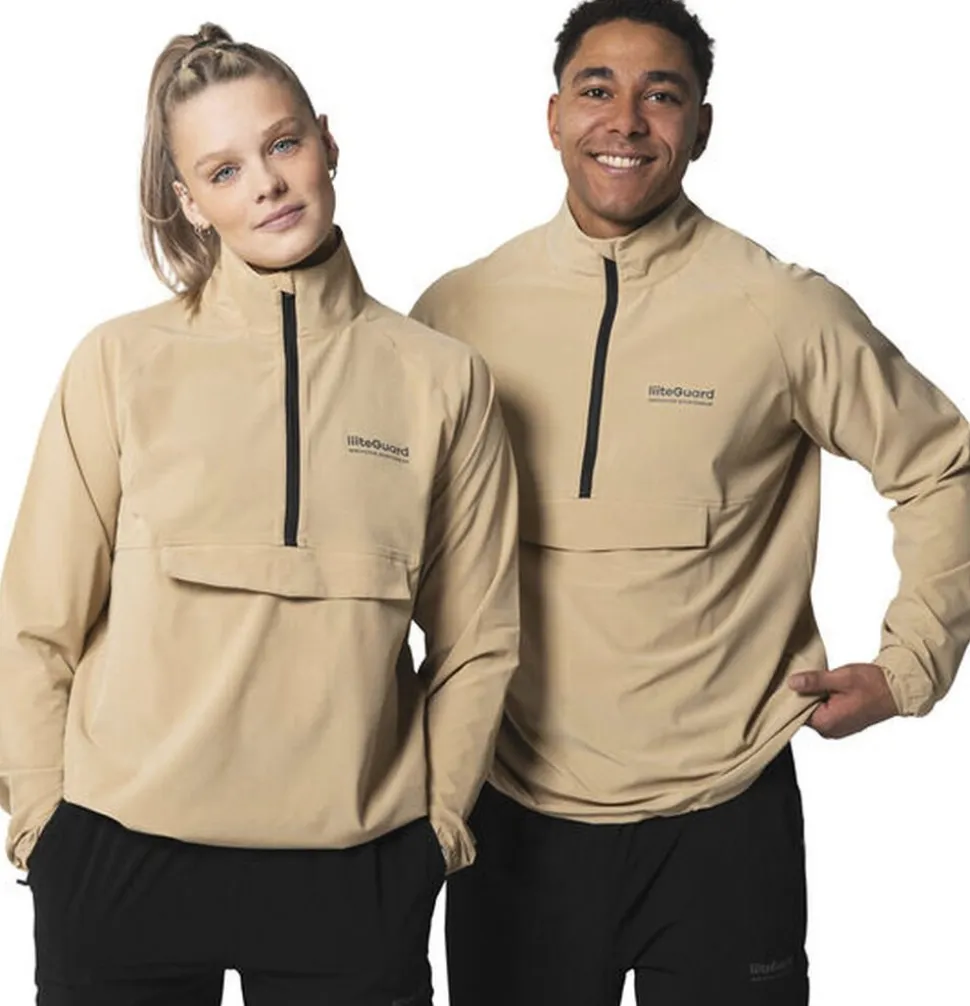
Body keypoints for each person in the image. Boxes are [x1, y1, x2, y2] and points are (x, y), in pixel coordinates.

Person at [411, 1, 970, 1003]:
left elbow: (942, 463)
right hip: (509, 810)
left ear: (700, 127)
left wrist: (911, 666)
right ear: (552, 116)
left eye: (660, 95)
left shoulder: (781, 307)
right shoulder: (457, 311)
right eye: (597, 89)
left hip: (726, 813)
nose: (625, 120)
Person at [0, 22, 519, 1006]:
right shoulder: (119, 364)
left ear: (328, 142)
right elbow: (34, 621)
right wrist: (40, 825)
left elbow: (478, 639)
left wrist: (438, 828)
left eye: (284, 144)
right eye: (225, 170)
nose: (269, 184)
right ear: (190, 201)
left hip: (356, 866)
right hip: (118, 855)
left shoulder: (443, 380)